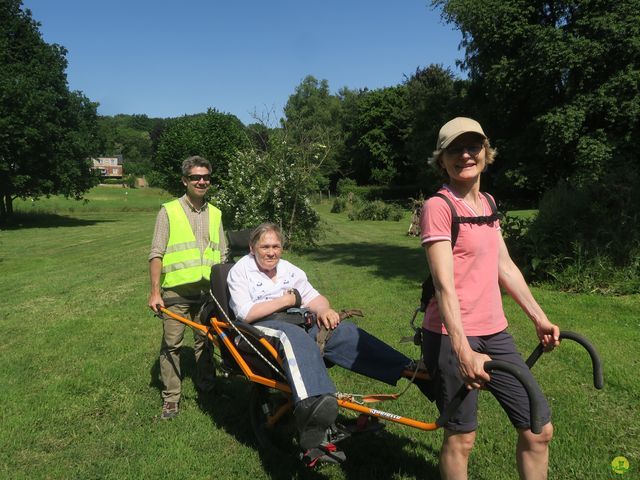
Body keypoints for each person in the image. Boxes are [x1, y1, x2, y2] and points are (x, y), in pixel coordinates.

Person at [420, 117, 560, 479]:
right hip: (452, 336)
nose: (465, 155)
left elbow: (505, 266)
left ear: (486, 151)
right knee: (461, 438)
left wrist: (538, 317)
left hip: (495, 332)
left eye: (473, 146)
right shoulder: (439, 206)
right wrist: (463, 349)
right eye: (455, 149)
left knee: (538, 429)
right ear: (442, 159)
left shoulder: (488, 202)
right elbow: (443, 285)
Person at [227, 222, 424, 465]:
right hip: (260, 327)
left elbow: (313, 297)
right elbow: (245, 312)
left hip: (297, 320)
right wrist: (287, 299)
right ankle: (313, 410)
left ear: (282, 247)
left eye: (276, 246)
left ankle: (410, 369)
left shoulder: (289, 270)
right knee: (294, 338)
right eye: (265, 246)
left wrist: (325, 310)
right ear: (252, 247)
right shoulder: (241, 270)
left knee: (342, 330)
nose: (271, 252)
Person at [148, 155, 227, 420]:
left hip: (206, 294)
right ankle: (171, 399)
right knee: (172, 344)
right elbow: (156, 253)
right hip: (176, 294)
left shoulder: (215, 214)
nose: (201, 181)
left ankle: (207, 388)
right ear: (185, 180)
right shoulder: (168, 211)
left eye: (206, 177)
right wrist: (155, 291)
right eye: (195, 177)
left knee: (205, 342)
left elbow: (223, 257)